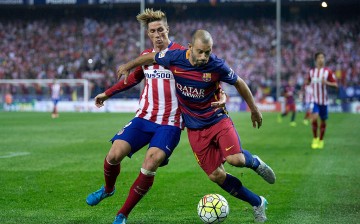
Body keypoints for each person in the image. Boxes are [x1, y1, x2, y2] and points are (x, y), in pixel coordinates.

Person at [117, 30, 276, 223]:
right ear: (190, 48)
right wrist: (128, 65)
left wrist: (254, 108)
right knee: (216, 175)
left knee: (235, 159)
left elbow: (239, 82)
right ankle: (257, 202)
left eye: (207, 52)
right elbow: (151, 56)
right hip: (195, 128)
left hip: (217, 120)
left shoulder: (216, 64)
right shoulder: (174, 57)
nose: (203, 57)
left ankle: (255, 162)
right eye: (200, 52)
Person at [85, 9, 226, 224]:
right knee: (113, 155)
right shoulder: (146, 57)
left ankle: (122, 215)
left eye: (161, 29)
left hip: (170, 122)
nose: (158, 34)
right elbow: (131, 79)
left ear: (167, 29)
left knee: (150, 162)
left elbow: (211, 77)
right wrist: (107, 93)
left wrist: (221, 95)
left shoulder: (183, 54)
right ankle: (108, 189)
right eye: (153, 31)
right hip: (144, 117)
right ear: (148, 34)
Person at [306, 52, 338, 149]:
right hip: (314, 100)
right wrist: (307, 86)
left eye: (322, 57)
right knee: (314, 117)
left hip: (323, 101)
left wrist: (326, 82)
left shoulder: (328, 72)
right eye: (319, 58)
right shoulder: (312, 72)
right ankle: (315, 138)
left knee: (323, 120)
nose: (321, 59)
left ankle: (321, 140)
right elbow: (307, 82)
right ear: (316, 60)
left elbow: (336, 85)